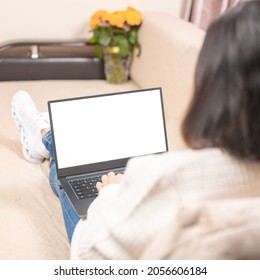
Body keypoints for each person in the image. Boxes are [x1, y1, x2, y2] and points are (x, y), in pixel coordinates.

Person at [11, 1, 260, 259]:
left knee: (73, 179)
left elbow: (88, 256)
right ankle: (46, 139)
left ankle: (45, 136)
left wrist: (110, 193)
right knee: (72, 173)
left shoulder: (165, 177)